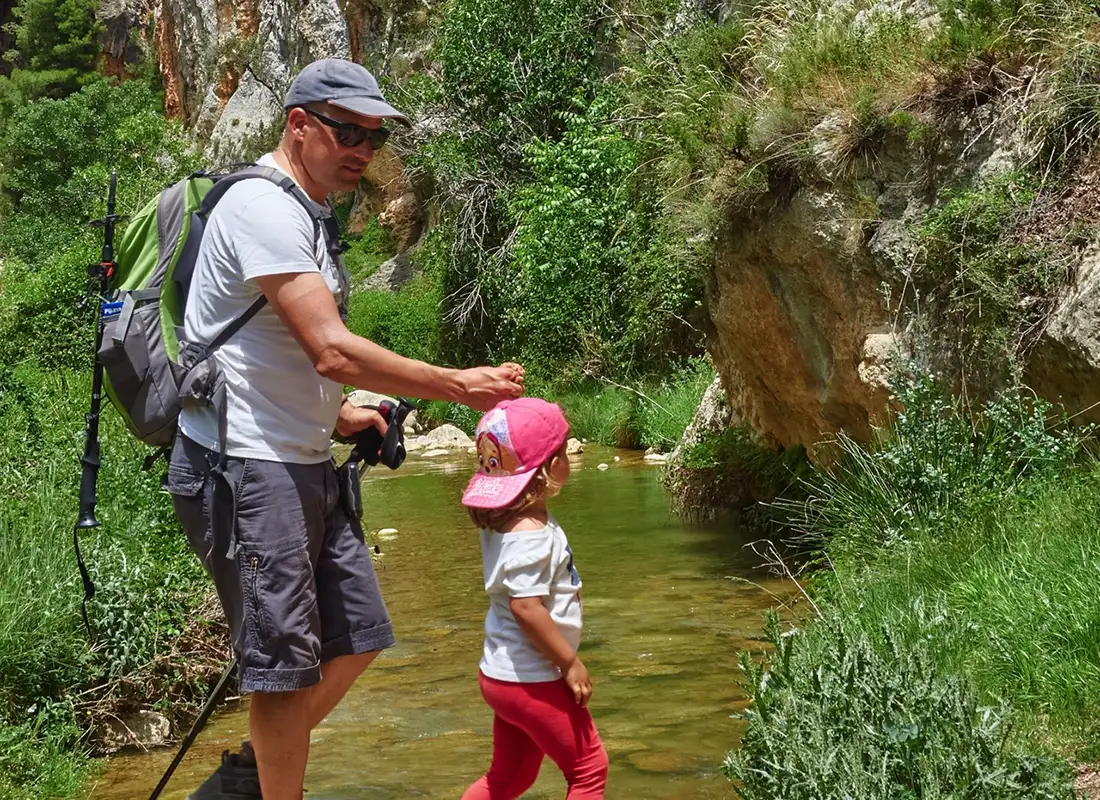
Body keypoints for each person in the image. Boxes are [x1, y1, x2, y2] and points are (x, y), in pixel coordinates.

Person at [165, 58, 525, 800]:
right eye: (347, 130)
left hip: (298, 460)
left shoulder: (311, 213)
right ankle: (265, 788)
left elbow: (283, 353)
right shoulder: (262, 208)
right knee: (283, 667)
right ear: (299, 125)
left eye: (372, 135)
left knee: (357, 636)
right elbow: (328, 346)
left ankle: (246, 782)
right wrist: (454, 384)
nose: (363, 147)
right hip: (245, 469)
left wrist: (346, 414)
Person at [459, 398, 609, 800]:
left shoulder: (504, 520)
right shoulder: (530, 533)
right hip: (533, 677)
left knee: (509, 779)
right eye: (564, 451)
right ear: (548, 467)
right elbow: (526, 609)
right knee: (589, 770)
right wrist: (570, 662)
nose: (569, 457)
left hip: (502, 675)